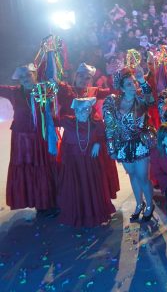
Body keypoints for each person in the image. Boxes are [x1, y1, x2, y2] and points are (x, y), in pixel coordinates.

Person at [1, 64, 58, 216]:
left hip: (41, 135)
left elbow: (55, 104)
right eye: (21, 77)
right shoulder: (14, 92)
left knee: (44, 166)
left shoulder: (44, 89)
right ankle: (38, 202)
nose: (25, 79)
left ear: (34, 75)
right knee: (29, 168)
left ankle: (48, 200)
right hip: (22, 139)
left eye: (27, 75)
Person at [103, 67, 156, 222]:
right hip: (123, 145)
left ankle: (149, 205)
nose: (133, 85)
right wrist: (112, 148)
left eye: (134, 82)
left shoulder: (141, 98)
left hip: (140, 142)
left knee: (143, 177)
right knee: (132, 175)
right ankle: (139, 204)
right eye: (128, 84)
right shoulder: (113, 102)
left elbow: (151, 100)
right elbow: (110, 126)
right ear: (121, 88)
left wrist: (141, 80)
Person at [56, 97, 116, 227]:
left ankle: (94, 213)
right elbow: (51, 120)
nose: (83, 112)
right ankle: (78, 214)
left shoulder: (96, 123)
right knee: (77, 187)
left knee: (92, 186)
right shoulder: (68, 122)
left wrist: (98, 144)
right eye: (80, 110)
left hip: (90, 162)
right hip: (74, 163)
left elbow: (103, 136)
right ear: (75, 111)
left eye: (86, 109)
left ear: (90, 111)